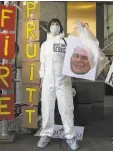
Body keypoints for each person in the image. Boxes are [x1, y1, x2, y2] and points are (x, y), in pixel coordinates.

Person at [38, 18, 79, 150]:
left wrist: (82, 29)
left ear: (60, 27)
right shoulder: (44, 45)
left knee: (66, 109)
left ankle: (70, 137)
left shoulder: (66, 42)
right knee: (46, 109)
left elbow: (74, 58)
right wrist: (41, 79)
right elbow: (42, 64)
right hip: (48, 82)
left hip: (64, 82)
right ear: (49, 27)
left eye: (57, 24)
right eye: (52, 24)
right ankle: (45, 134)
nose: (54, 26)